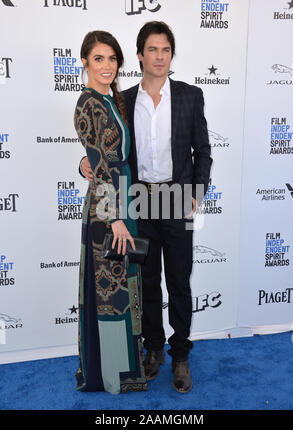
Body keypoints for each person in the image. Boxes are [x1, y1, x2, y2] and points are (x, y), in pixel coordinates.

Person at [80, 22, 212, 393]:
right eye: (152, 50)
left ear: (171, 54)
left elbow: (203, 151)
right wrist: (83, 163)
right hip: (138, 202)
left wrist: (196, 193)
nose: (159, 56)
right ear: (139, 55)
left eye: (165, 50)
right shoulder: (124, 99)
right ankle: (153, 348)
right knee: (148, 282)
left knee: (179, 281)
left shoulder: (189, 95)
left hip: (176, 199)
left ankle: (181, 354)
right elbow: (111, 152)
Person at [74, 30, 147, 395]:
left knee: (122, 286)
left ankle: (122, 368)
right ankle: (113, 375)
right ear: (84, 61)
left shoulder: (111, 100)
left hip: (123, 201)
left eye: (112, 59)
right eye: (98, 58)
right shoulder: (88, 103)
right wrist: (115, 217)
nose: (107, 65)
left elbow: (102, 159)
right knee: (111, 293)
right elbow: (101, 166)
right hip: (109, 213)